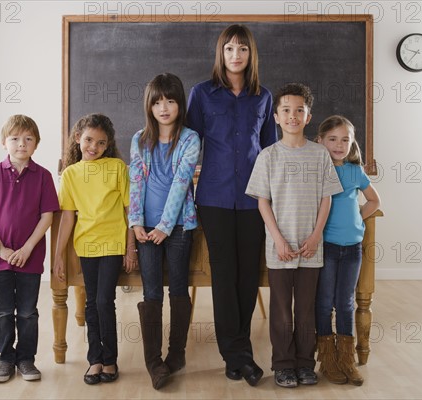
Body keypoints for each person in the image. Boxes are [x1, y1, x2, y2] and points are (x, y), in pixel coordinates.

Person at [186, 23, 277, 387]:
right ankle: (239, 355)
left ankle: (236, 352)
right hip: (214, 197)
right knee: (224, 275)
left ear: (251, 54)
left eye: (242, 49)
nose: (235, 55)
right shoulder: (202, 94)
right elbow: (189, 145)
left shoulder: (264, 97)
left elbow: (271, 152)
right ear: (220, 54)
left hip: (255, 199)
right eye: (229, 49)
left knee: (247, 276)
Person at [245, 83, 343, 389]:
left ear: (308, 115)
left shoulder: (319, 155)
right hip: (280, 248)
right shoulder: (268, 156)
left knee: (305, 309)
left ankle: (304, 363)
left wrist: (315, 236)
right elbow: (262, 200)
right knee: (281, 311)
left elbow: (326, 198)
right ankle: (283, 364)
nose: (292, 116)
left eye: (299, 110)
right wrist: (278, 238)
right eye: (286, 110)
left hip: (311, 248)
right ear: (275, 116)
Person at [128, 73, 201, 389]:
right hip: (146, 230)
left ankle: (177, 354)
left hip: (179, 226)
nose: (164, 107)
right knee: (151, 292)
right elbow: (137, 182)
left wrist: (165, 227)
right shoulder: (139, 139)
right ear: (150, 105)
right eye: (158, 101)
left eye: (170, 100)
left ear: (179, 104)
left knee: (178, 289)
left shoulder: (190, 139)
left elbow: (181, 184)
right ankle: (153, 362)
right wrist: (136, 222)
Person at [0, 114, 60, 383]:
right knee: (2, 311)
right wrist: (0, 247)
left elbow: (47, 216)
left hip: (30, 258)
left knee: (27, 311)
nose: (21, 144)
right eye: (15, 138)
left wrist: (26, 248)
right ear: (4, 142)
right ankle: (5, 360)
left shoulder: (43, 176)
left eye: (28, 139)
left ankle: (26, 359)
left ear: (36, 144)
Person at [53, 114, 137, 385]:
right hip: (86, 245)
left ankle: (110, 360)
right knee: (91, 303)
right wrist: (58, 257)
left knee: (103, 301)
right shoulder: (70, 174)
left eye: (101, 143)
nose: (93, 147)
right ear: (78, 138)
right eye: (89, 140)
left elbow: (129, 211)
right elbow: (67, 217)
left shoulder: (117, 168)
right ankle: (95, 360)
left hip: (113, 243)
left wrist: (130, 248)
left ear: (108, 145)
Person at [314, 115, 381, 386]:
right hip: (327, 247)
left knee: (345, 303)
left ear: (352, 143)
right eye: (332, 139)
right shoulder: (318, 169)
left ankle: (347, 359)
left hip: (352, 248)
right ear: (320, 141)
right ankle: (328, 359)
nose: (339, 145)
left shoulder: (355, 171)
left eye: (345, 139)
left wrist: (357, 218)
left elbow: (374, 201)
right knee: (324, 302)